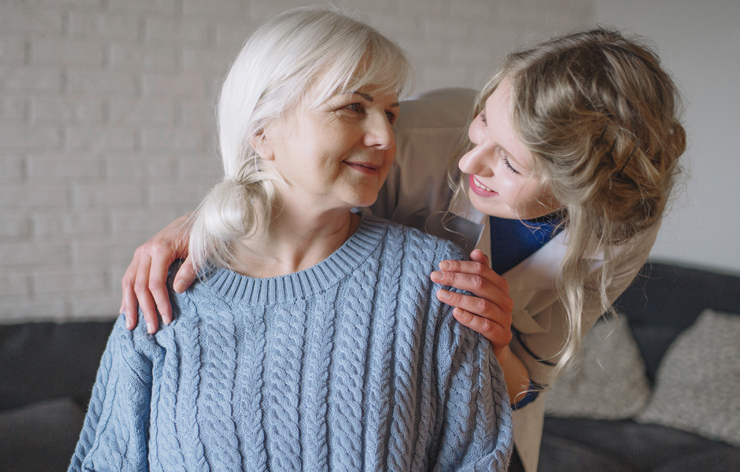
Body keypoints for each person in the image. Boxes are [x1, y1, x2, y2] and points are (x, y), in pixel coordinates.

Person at [119, 28, 685, 472]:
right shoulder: (416, 135)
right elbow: (290, 181)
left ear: (580, 195)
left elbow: (528, 379)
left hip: (476, 420)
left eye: (508, 164)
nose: (468, 162)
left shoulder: (618, 227)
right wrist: (195, 224)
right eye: (482, 122)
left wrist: (495, 342)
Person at [70, 8, 513, 472]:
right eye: (353, 107)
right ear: (262, 131)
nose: (385, 136)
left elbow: (479, 459)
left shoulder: (436, 280)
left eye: (390, 113)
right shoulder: (165, 292)